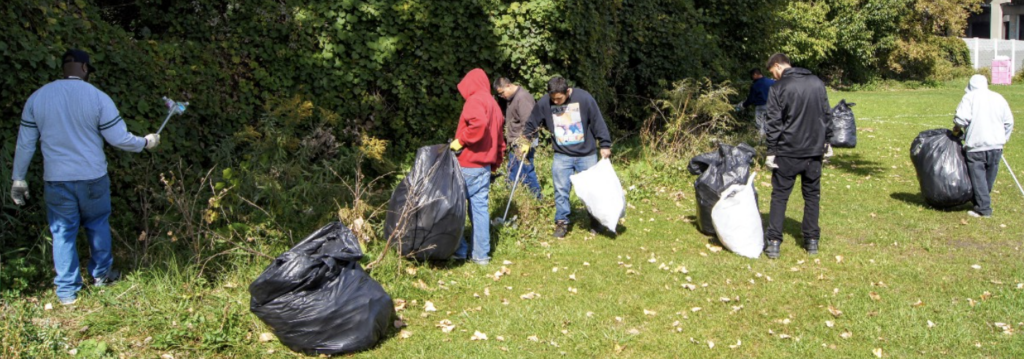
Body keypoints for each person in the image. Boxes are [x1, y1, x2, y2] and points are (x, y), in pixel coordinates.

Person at [10, 49, 161, 305]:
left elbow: (25, 144)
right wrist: (145, 143)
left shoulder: (38, 98)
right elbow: (118, 139)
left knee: (62, 233)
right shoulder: (97, 97)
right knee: (98, 223)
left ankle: (67, 293)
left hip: (56, 179)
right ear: (84, 69)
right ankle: (102, 277)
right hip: (92, 177)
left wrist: (19, 179)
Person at [522, 76, 612, 238]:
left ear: (568, 91)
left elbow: (597, 120)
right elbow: (531, 122)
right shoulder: (544, 103)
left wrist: (605, 144)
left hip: (586, 154)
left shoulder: (584, 98)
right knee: (561, 190)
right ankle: (562, 223)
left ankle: (595, 220)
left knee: (591, 190)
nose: (556, 102)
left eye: (559, 98)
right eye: (553, 98)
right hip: (562, 155)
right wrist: (525, 140)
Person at [762, 53, 833, 259]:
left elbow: (773, 122)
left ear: (777, 65)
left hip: (788, 151)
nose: (774, 77)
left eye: (773, 73)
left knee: (779, 197)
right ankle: (812, 241)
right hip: (813, 151)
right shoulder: (817, 83)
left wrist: (771, 151)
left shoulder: (778, 88)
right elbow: (826, 113)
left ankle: (774, 242)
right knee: (812, 195)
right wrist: (827, 141)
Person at [450, 68, 506, 265]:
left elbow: (478, 125)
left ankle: (458, 250)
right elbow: (500, 141)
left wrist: (461, 141)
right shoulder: (494, 105)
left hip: (467, 164)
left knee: (452, 209)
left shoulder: (475, 100)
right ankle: (481, 256)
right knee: (480, 210)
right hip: (484, 166)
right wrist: (495, 163)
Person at [953, 74, 1014, 218]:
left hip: (976, 145)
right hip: (996, 145)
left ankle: (983, 208)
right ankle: (980, 200)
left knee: (978, 176)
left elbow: (961, 119)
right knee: (988, 176)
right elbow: (1009, 122)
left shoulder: (970, 98)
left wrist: (956, 129)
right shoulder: (998, 97)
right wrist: (1003, 139)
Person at [493, 77, 542, 198]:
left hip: (523, 142)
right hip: (516, 141)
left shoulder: (522, 98)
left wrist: (525, 142)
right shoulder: (512, 98)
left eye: (502, 93)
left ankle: (537, 198)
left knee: (525, 170)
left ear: (508, 85)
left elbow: (529, 123)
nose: (501, 96)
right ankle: (516, 198)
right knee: (515, 170)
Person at [736, 68, 776, 141]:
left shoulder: (755, 85)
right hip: (773, 106)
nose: (752, 78)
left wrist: (742, 106)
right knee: (772, 125)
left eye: (752, 76)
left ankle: (762, 142)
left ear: (755, 75)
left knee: (761, 126)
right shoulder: (772, 82)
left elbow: (751, 99)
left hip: (761, 107)